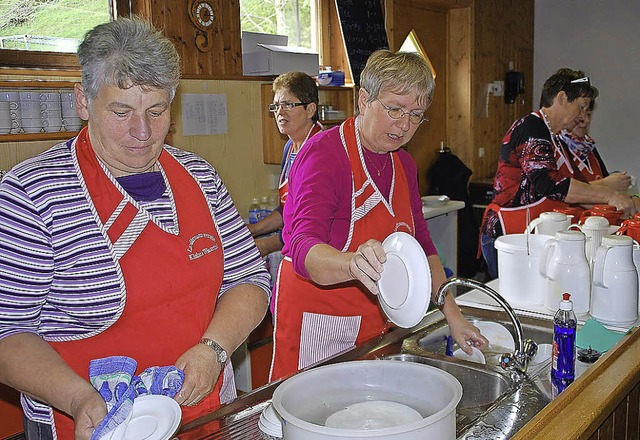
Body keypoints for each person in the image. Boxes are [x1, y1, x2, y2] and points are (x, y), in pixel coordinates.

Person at [0, 17, 270, 439]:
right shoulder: (31, 194)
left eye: (156, 111)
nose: (142, 133)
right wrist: (77, 398)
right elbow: (7, 331)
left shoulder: (199, 178)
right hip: (88, 421)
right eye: (121, 111)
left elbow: (250, 279)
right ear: (83, 101)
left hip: (200, 408)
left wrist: (213, 350)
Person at [269, 49, 488, 382]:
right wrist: (350, 264)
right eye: (394, 109)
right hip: (319, 322)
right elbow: (301, 245)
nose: (404, 125)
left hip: (375, 320)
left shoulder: (403, 164)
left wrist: (453, 315)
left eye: (416, 115)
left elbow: (423, 246)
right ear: (364, 100)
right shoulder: (325, 155)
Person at [480, 68, 637, 279]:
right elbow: (549, 183)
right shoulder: (531, 126)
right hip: (510, 236)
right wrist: (610, 195)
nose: (583, 117)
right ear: (562, 98)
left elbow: (571, 188)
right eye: (580, 107)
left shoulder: (552, 136)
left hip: (530, 236)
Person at [248, 71, 322, 258]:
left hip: (317, 251)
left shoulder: (320, 151)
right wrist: (253, 230)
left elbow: (313, 219)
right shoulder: (290, 147)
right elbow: (287, 209)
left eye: (288, 105)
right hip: (295, 246)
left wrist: (266, 245)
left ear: (310, 110)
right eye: (276, 106)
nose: (280, 113)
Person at [556, 91, 632, 192]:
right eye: (580, 113)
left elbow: (605, 177)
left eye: (589, 114)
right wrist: (605, 184)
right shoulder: (555, 146)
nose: (586, 120)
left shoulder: (588, 147)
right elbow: (558, 190)